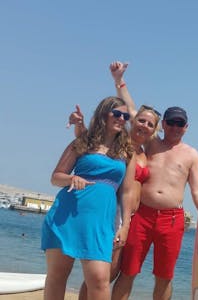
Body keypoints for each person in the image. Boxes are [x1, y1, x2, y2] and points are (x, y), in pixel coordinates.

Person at [108, 61, 198, 300]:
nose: (174, 127)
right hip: (141, 214)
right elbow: (133, 112)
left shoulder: (191, 154)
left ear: (186, 127)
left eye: (179, 124)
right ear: (162, 125)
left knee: (165, 276)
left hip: (172, 220)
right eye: (170, 123)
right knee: (128, 271)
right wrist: (119, 80)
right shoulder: (151, 143)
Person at [42, 96, 137, 300]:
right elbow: (56, 178)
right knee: (57, 276)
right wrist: (71, 178)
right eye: (117, 114)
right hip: (66, 216)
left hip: (100, 222)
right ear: (104, 114)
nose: (122, 118)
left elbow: (127, 192)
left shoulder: (127, 152)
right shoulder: (82, 142)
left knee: (100, 281)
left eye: (125, 116)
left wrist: (125, 225)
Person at [68, 93, 161, 299]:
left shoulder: (146, 153)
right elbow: (91, 145)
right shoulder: (121, 143)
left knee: (117, 271)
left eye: (150, 124)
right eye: (141, 120)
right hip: (115, 211)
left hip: (135, 218)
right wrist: (79, 126)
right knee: (102, 274)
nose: (144, 125)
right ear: (132, 121)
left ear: (155, 130)